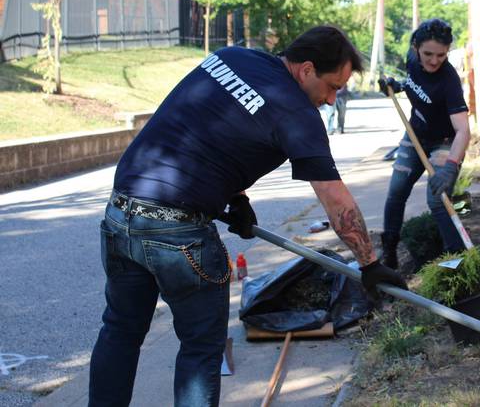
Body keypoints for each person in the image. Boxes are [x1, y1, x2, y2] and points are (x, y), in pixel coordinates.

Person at [89, 26, 407, 406]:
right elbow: (335, 200)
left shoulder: (232, 57)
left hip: (121, 212)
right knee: (201, 349)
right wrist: (369, 263)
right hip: (178, 232)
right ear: (306, 70)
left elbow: (208, 130)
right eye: (332, 86)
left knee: (120, 332)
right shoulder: (298, 115)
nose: (331, 99)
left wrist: (234, 197)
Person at [377, 19, 470, 269]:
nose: (434, 61)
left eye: (441, 55)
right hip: (415, 135)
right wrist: (397, 87)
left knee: (438, 200)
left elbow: (463, 130)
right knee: (396, 192)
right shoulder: (411, 59)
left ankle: (460, 263)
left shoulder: (449, 80)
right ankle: (389, 255)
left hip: (445, 142)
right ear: (416, 47)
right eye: (428, 54)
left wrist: (451, 166)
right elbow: (415, 84)